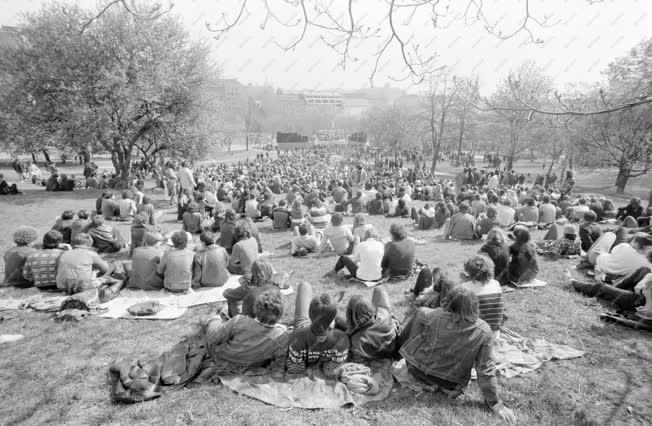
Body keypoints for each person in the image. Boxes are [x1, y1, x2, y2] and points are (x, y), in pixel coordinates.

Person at [399, 286, 516, 423]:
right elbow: (485, 369)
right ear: (475, 305)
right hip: (449, 384)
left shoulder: (430, 314)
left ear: (447, 302)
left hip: (416, 370)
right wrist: (495, 403)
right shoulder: (484, 331)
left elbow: (417, 319)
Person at [203, 289, 289, 379]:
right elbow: (279, 366)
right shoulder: (282, 336)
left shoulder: (239, 321)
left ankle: (212, 315)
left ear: (256, 308)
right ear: (280, 315)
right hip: (250, 366)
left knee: (211, 322)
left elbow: (213, 336)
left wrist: (214, 320)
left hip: (221, 359)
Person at [287, 283, 350, 378]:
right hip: (327, 329)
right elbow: (332, 371)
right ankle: (331, 305)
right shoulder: (342, 338)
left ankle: (329, 306)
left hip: (305, 329)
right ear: (334, 318)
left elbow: (295, 369)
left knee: (304, 285)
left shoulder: (296, 336)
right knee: (326, 312)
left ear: (309, 313)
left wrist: (305, 367)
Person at [343, 287, 401, 364]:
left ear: (350, 314)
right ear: (370, 306)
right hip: (392, 343)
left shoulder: (355, 341)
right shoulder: (383, 313)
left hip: (380, 355)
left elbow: (356, 361)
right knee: (379, 289)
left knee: (378, 290)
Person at [460, 256, 504, 335]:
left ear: (468, 271)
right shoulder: (496, 284)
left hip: (475, 335)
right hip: (494, 333)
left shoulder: (465, 287)